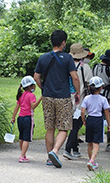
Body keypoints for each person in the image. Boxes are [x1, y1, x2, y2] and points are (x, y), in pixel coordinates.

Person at [33, 30, 80, 169]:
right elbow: (75, 77)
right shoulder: (67, 58)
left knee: (50, 127)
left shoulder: (43, 58)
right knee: (64, 127)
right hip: (63, 97)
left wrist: (43, 88)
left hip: (47, 96)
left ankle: (49, 157)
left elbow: (36, 77)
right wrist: (77, 92)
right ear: (63, 42)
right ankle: (55, 151)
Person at [64, 43, 92, 160]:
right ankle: (68, 148)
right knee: (76, 126)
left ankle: (75, 149)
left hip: (65, 99)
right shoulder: (84, 67)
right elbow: (90, 83)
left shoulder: (65, 65)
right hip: (79, 101)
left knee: (71, 125)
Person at [80, 76, 110, 171]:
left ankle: (91, 161)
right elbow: (106, 112)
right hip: (98, 120)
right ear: (101, 87)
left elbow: (82, 111)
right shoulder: (103, 99)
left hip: (89, 119)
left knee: (89, 142)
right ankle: (92, 160)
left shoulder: (86, 98)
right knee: (96, 142)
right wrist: (109, 124)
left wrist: (84, 120)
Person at [92, 49, 110, 150]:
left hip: (95, 95)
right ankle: (109, 143)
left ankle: (94, 141)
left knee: (95, 117)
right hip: (107, 96)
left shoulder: (95, 66)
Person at [11, 75, 42, 163]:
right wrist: (40, 98)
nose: (34, 87)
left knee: (21, 137)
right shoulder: (31, 95)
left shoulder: (21, 95)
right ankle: (22, 156)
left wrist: (13, 118)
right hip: (28, 118)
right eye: (33, 85)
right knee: (26, 138)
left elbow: (16, 108)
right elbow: (33, 106)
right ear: (30, 86)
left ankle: (23, 154)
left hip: (20, 118)